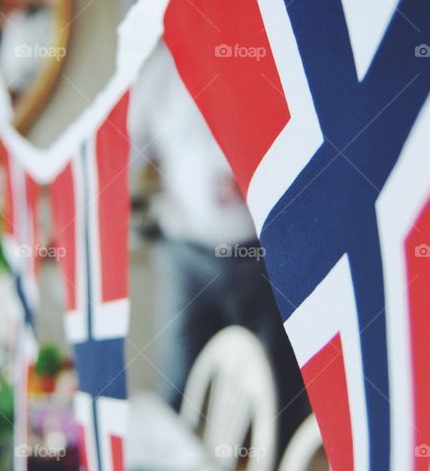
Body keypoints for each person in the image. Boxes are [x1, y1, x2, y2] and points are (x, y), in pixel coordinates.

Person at [129, 41, 307, 450]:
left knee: (278, 392)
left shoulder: (271, 53)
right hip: (186, 255)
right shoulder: (159, 70)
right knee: (178, 383)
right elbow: (126, 154)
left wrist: (263, 179)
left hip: (265, 255)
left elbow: (307, 140)